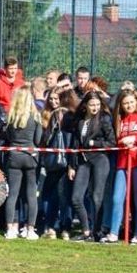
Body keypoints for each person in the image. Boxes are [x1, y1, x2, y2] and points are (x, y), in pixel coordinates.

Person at [104, 88, 137, 244]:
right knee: (117, 198)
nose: (129, 105)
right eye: (125, 103)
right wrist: (122, 141)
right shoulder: (119, 118)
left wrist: (136, 138)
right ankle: (113, 231)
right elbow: (114, 138)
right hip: (122, 163)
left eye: (131, 102)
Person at [67, 90, 115, 242]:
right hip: (83, 161)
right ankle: (86, 230)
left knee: (96, 197)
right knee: (76, 197)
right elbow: (75, 144)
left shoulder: (104, 119)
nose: (95, 108)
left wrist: (95, 143)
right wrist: (71, 165)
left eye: (97, 105)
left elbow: (112, 142)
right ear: (85, 105)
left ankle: (97, 232)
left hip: (100, 160)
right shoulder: (79, 120)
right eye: (92, 105)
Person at [0, 87, 43, 240]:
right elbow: (38, 140)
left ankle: (10, 228)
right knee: (31, 194)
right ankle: (30, 229)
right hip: (31, 157)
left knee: (12, 195)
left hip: (14, 158)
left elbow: (8, 137)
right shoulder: (36, 117)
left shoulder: (11, 117)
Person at [39, 87, 75, 239]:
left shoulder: (61, 114)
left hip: (61, 160)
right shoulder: (54, 115)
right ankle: (57, 227)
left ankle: (57, 227)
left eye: (56, 99)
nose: (54, 102)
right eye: (51, 99)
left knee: (58, 196)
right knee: (57, 195)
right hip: (59, 160)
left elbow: (48, 138)